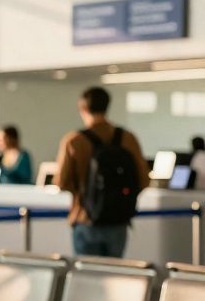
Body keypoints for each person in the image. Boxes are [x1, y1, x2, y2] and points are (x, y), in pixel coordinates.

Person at [56, 87, 150, 258]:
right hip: (118, 221)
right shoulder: (128, 138)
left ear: (83, 108)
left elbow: (61, 182)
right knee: (114, 272)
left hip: (85, 218)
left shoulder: (74, 141)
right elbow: (144, 180)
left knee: (87, 272)